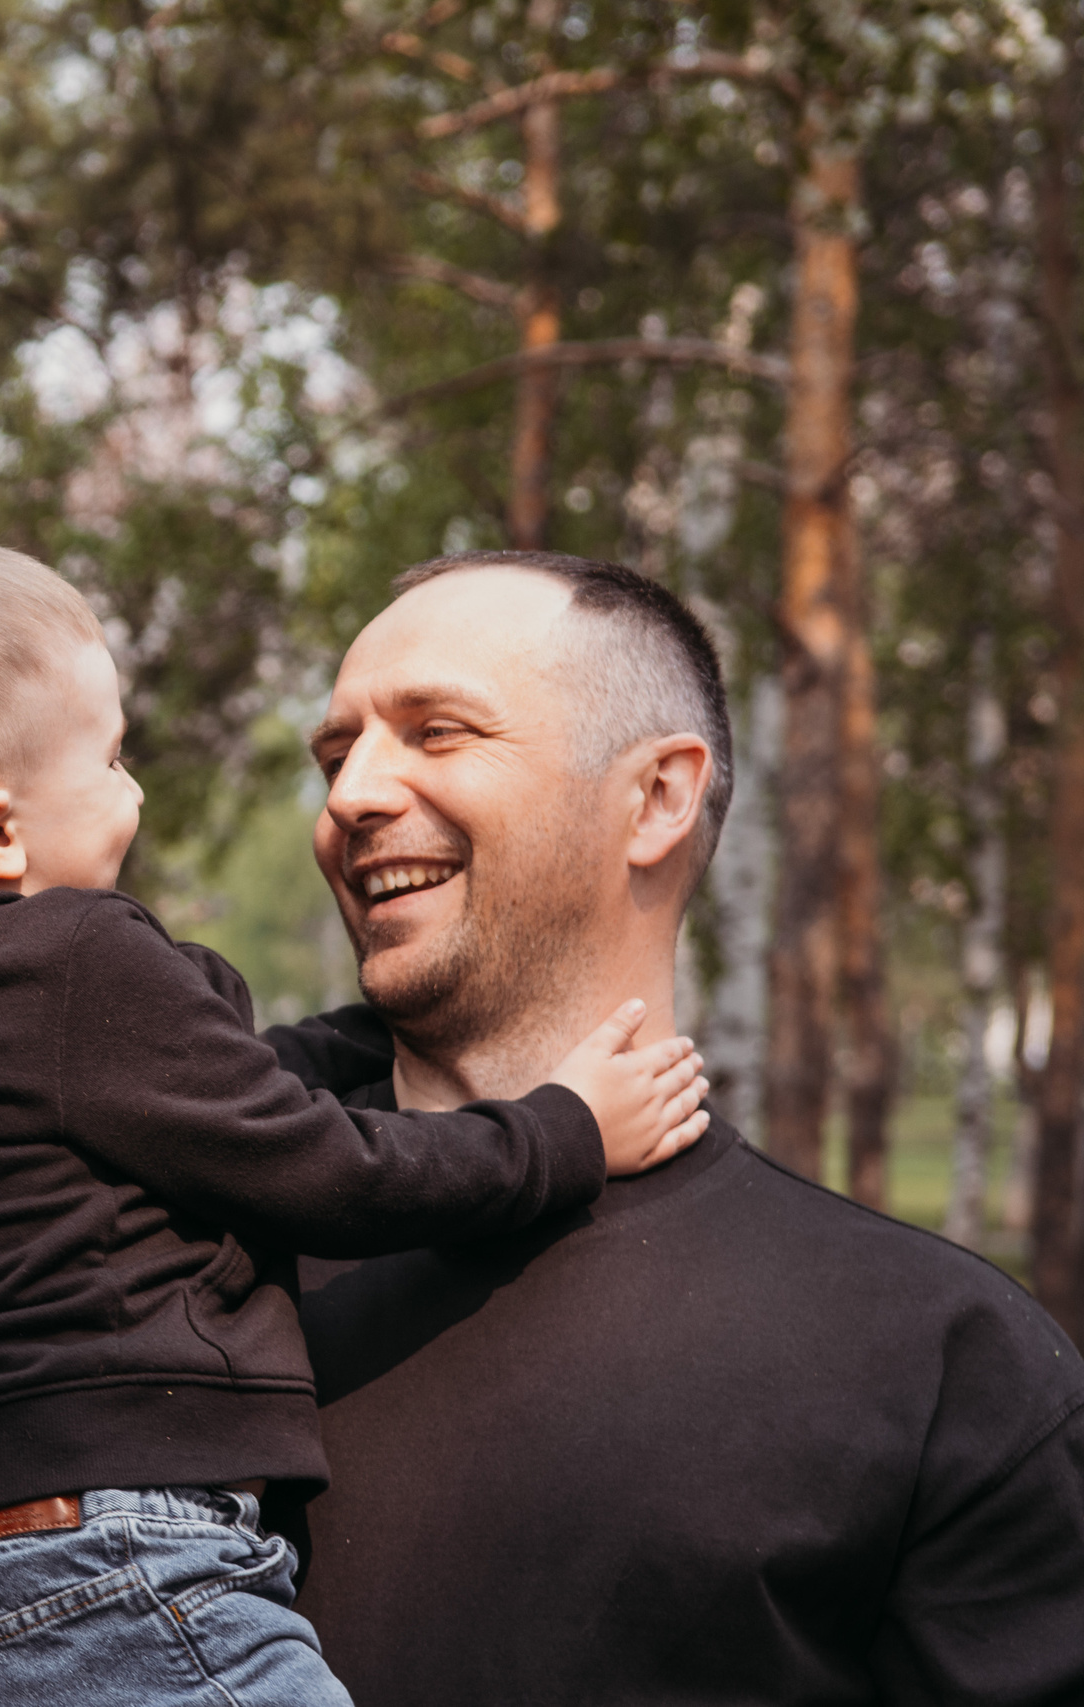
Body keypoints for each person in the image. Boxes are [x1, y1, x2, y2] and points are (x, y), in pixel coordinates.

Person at [0, 535, 709, 1707]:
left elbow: (188, 1109)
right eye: (112, 759)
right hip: (121, 1562)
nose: (133, 789)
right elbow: (319, 1166)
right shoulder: (77, 955)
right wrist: (563, 1132)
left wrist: (357, 1039)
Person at [263, 551, 1084, 1705]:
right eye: (336, 753)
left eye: (437, 731)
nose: (349, 796)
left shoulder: (944, 1360)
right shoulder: (179, 1247)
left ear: (655, 798)